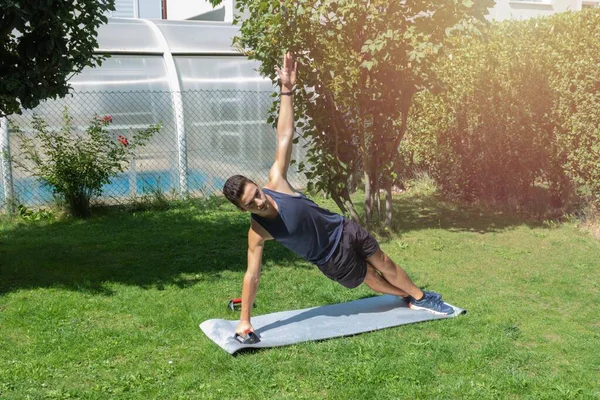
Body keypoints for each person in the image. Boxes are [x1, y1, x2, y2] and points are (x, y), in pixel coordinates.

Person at [222, 52, 454, 338]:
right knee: (370, 278)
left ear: (258, 185)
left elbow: (284, 134)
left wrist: (287, 89)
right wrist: (245, 320)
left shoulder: (277, 182)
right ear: (243, 210)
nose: (259, 201)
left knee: (384, 261)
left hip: (344, 228)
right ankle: (406, 296)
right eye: (251, 203)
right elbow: (252, 274)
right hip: (331, 258)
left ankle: (419, 297)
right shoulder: (258, 232)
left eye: (256, 193)